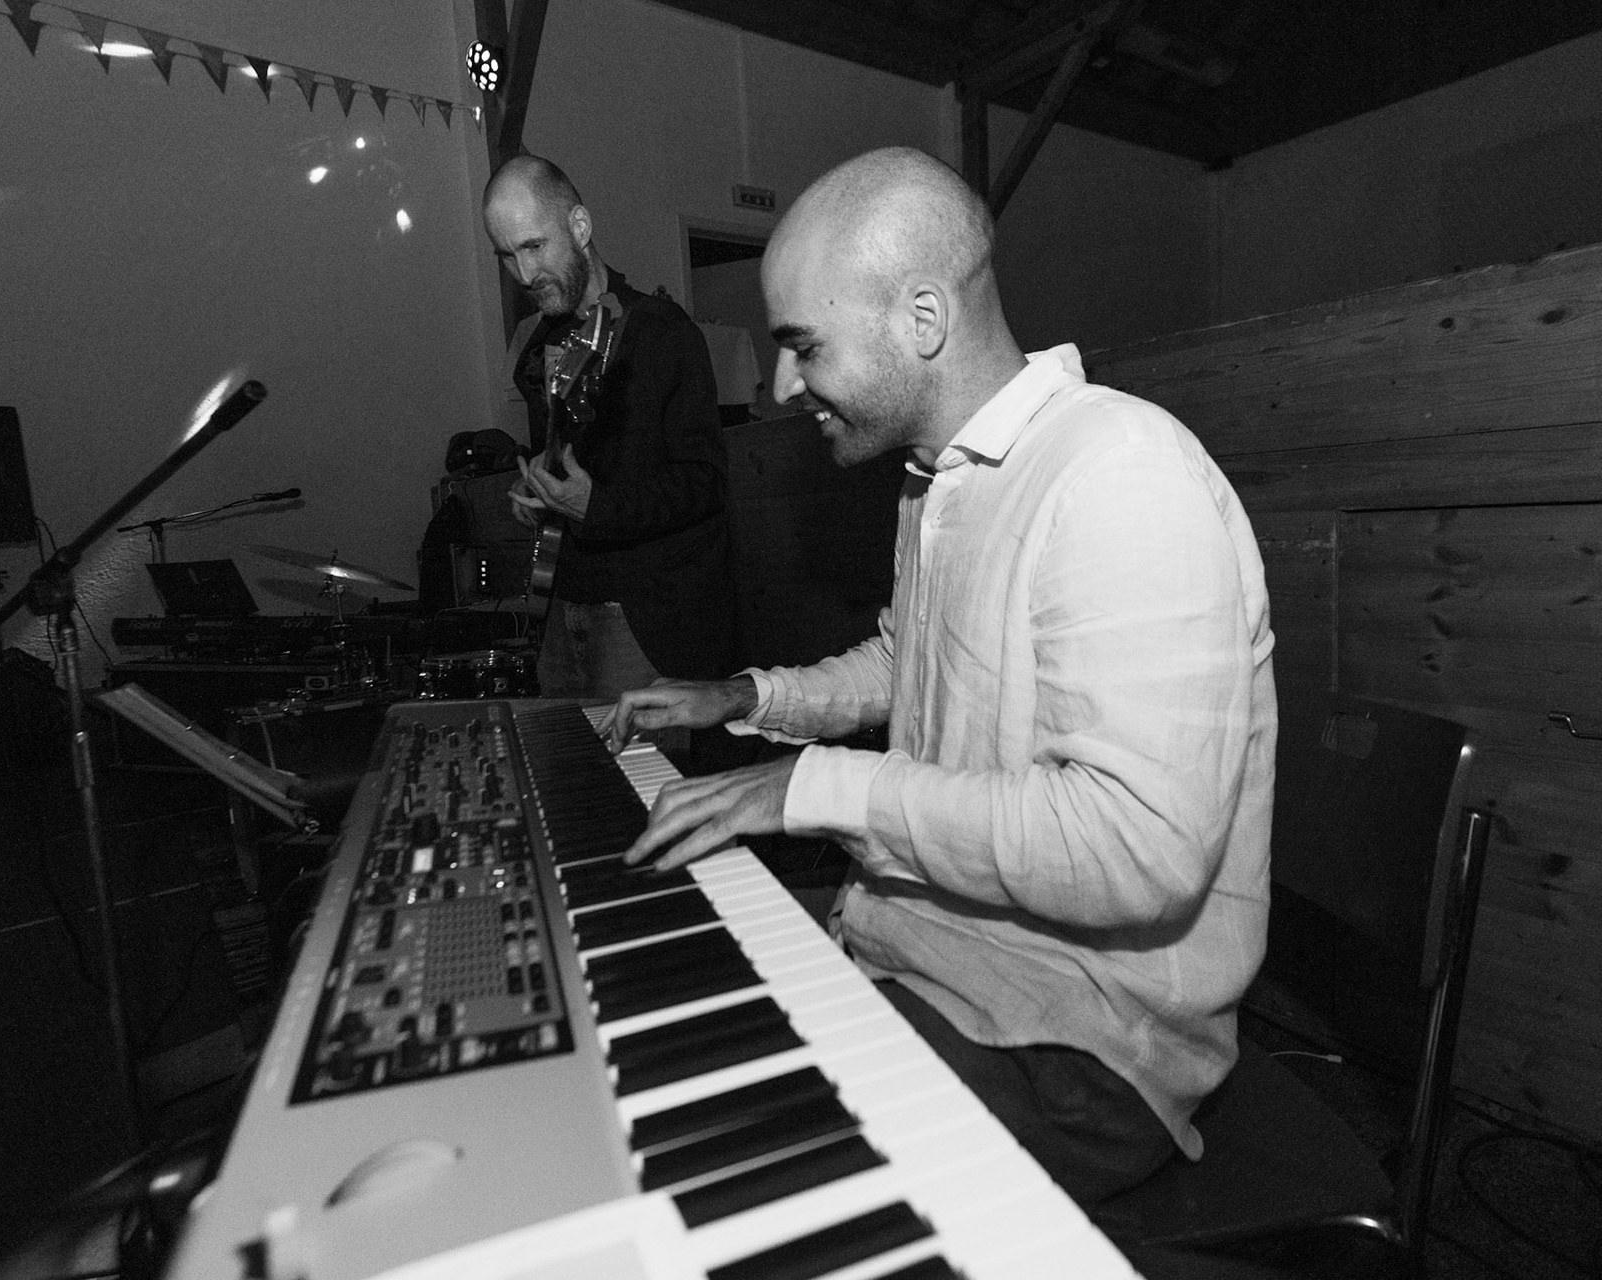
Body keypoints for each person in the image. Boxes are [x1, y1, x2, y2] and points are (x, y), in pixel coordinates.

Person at [609, 148, 1275, 1211]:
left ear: (922, 317)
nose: (780, 386)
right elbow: (910, 660)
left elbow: (1136, 849)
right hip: (929, 954)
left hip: (1080, 1047)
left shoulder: (1121, 474)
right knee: (658, 1038)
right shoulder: (939, 482)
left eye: (803, 345)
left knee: (724, 1166)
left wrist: (812, 789)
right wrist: (747, 697)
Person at [483, 154, 736, 701]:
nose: (524, 275)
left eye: (534, 246)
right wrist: (542, 491)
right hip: (559, 607)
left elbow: (706, 483)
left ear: (579, 227)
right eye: (506, 255)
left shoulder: (662, 333)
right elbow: (574, 460)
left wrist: (595, 506)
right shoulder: (540, 344)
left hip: (643, 619)